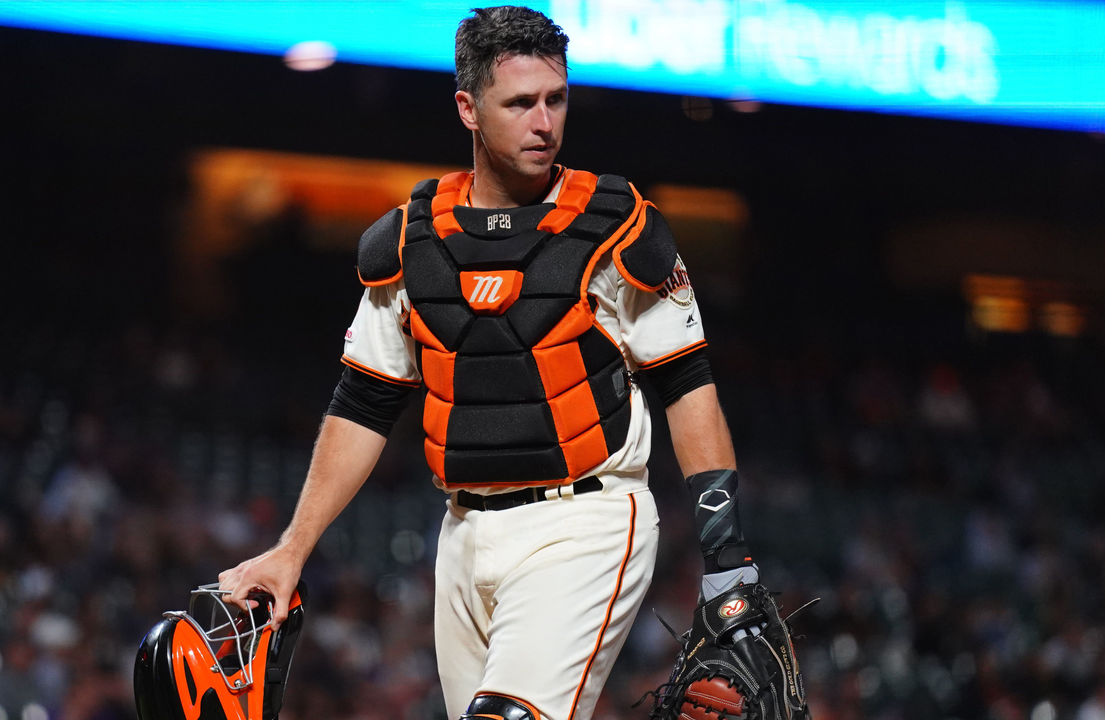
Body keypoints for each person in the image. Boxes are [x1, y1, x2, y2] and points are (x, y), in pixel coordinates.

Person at [218, 7, 760, 720]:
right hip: (463, 534)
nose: (545, 123)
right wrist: (292, 549)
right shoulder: (411, 240)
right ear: (468, 109)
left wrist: (727, 560)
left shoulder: (616, 225)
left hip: (587, 520)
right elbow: (364, 403)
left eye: (556, 99)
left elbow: (687, 384)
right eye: (520, 103)